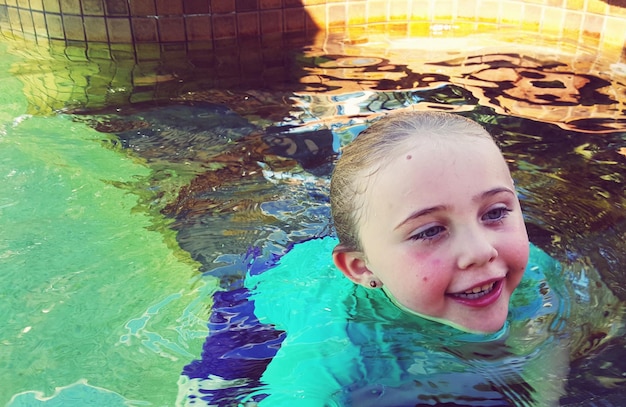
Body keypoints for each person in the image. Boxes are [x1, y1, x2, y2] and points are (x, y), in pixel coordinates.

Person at [330, 110, 530, 333]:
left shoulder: (542, 274)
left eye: (495, 213)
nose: (481, 252)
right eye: (430, 231)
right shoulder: (334, 350)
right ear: (362, 266)